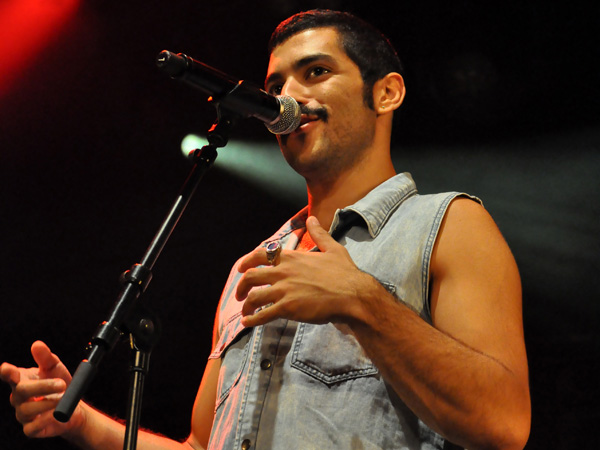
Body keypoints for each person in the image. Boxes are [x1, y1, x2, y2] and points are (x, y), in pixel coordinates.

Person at [0, 9, 531, 450]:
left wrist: (362, 301)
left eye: (316, 72)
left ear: (386, 93)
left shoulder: (448, 224)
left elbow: (504, 423)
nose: (289, 96)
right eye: (276, 84)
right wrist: (85, 424)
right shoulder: (251, 270)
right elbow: (200, 446)